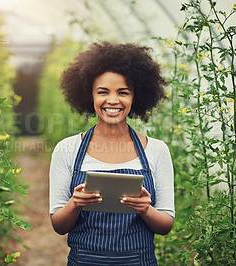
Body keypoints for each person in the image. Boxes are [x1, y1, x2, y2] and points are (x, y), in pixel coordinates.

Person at [49, 41, 175, 265]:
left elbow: (165, 225)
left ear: (135, 97)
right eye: (103, 92)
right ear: (90, 96)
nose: (113, 100)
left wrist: (145, 209)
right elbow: (59, 226)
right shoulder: (67, 149)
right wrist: (75, 203)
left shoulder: (157, 150)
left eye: (123, 92)